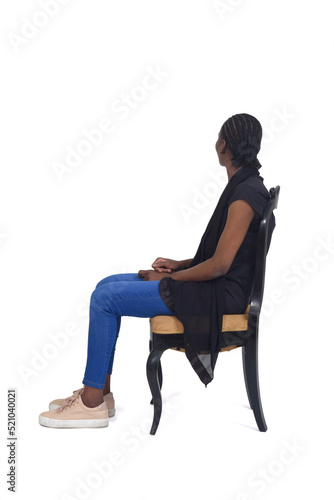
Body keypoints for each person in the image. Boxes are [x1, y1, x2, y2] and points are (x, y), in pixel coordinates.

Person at [39, 113, 275, 428]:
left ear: (224, 147)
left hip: (218, 296)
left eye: (218, 137)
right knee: (106, 284)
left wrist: (170, 278)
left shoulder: (246, 194)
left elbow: (220, 265)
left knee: (104, 299)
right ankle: (100, 390)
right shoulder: (245, 185)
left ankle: (91, 402)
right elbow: (224, 255)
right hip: (215, 287)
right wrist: (177, 265)